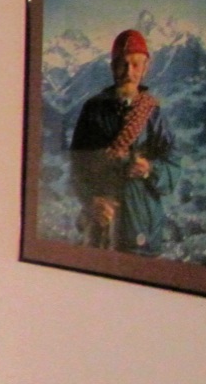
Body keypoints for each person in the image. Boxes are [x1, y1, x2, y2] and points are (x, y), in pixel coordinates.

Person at [69, 28, 178, 255]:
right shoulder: (93, 110)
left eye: (136, 65)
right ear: (112, 66)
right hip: (102, 227)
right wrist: (91, 201)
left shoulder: (154, 114)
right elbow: (78, 167)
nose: (129, 72)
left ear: (146, 67)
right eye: (123, 64)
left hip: (143, 228)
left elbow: (174, 166)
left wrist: (150, 170)